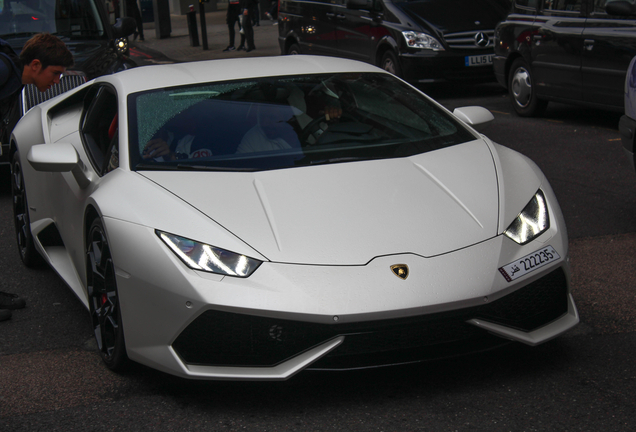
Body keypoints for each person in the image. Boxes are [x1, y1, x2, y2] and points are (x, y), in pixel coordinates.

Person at [0, 33, 73, 321]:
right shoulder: (4, 70)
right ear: (34, 64)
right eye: (54, 73)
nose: (56, 81)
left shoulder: (12, 77)